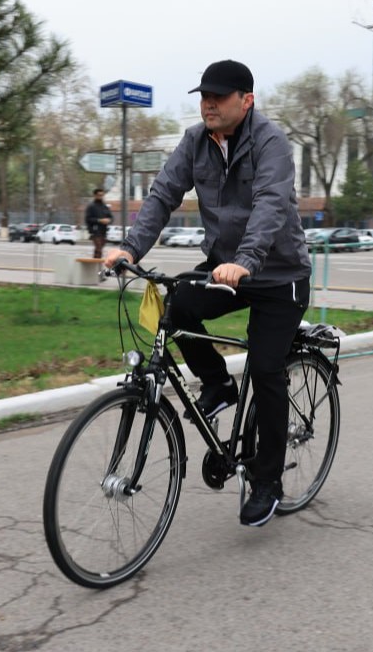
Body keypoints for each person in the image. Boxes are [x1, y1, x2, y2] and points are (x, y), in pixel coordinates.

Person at [103, 59, 311, 528]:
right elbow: (162, 196)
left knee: (266, 366)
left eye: (218, 96)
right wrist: (129, 248)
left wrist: (248, 260)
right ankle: (217, 384)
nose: (208, 104)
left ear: (247, 100)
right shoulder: (195, 140)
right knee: (171, 308)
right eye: (203, 96)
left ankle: (268, 481)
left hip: (279, 275)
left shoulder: (271, 143)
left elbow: (271, 204)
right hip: (225, 268)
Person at [84, 188, 112, 259]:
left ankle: (96, 263)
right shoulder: (91, 206)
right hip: (95, 231)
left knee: (99, 249)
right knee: (98, 248)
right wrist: (99, 220)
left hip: (103, 231)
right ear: (95, 195)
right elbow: (88, 219)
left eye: (102, 195)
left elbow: (110, 217)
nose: (101, 197)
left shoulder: (105, 207)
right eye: (99, 195)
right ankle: (96, 264)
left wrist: (108, 220)